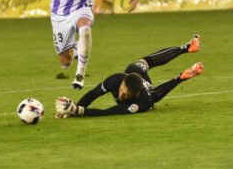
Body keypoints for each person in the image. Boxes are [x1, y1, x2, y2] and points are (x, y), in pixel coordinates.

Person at [55, 35, 204, 117]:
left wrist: (77, 111)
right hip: (135, 73)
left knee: (154, 97)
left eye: (125, 95)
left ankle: (183, 76)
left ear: (134, 94)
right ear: (123, 82)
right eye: (121, 90)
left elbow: (107, 112)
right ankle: (187, 47)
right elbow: (93, 94)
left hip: (149, 93)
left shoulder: (139, 103)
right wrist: (76, 108)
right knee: (142, 63)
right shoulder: (116, 80)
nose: (121, 95)